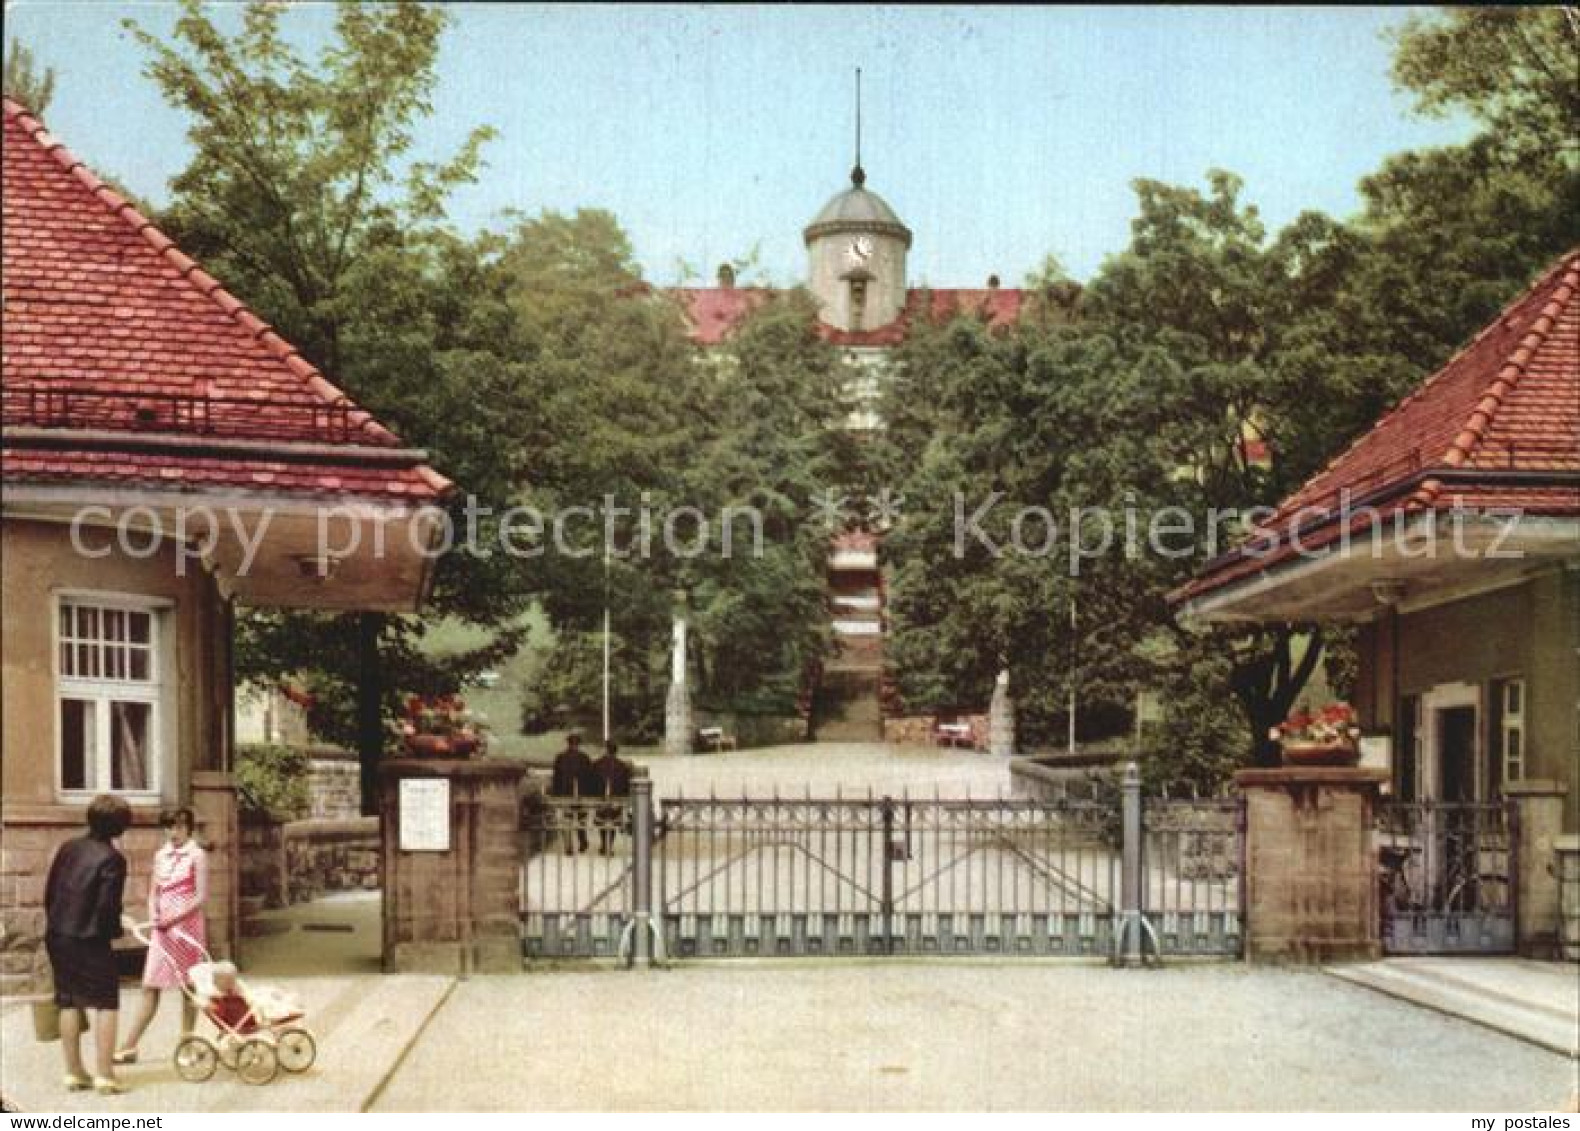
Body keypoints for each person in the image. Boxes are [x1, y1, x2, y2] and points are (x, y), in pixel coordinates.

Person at [44, 794, 132, 1096]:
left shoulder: (68, 847)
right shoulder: (113, 859)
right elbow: (107, 907)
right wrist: (117, 929)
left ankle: (74, 1072)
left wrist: (57, 924)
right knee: (106, 1001)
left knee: (68, 999)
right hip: (90, 938)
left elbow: (50, 891)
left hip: (58, 933)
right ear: (120, 827)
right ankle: (105, 1075)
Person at [114, 808, 207, 1064]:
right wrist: (153, 913)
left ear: (189, 828)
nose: (173, 832)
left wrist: (174, 918)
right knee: (149, 985)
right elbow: (153, 890)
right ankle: (129, 1046)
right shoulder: (160, 855)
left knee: (189, 987)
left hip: (186, 928)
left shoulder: (197, 855)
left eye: (179, 827)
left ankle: (187, 1045)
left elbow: (200, 897)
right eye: (168, 827)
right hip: (161, 930)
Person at [549, 733, 597, 854]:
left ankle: (568, 846)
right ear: (578, 744)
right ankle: (582, 840)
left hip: (564, 792)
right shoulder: (584, 757)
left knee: (567, 818)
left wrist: (555, 794)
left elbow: (556, 778)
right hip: (580, 793)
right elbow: (591, 777)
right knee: (580, 817)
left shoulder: (560, 757)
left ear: (568, 743)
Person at [592, 740, 634, 855]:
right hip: (617, 800)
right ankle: (609, 846)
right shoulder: (622, 765)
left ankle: (604, 845)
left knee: (603, 819)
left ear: (605, 750)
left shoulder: (596, 764)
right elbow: (626, 786)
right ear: (616, 751)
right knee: (612, 820)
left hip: (600, 800)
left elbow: (591, 783)